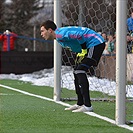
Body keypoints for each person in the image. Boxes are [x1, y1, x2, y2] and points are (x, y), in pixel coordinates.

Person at [40, 20, 105, 112]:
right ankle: (80, 103)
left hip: (95, 43)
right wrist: (81, 52)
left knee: (80, 70)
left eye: (43, 31)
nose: (41, 34)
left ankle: (88, 105)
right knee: (76, 72)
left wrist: (83, 50)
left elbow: (79, 35)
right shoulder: (58, 37)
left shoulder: (60, 35)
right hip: (89, 45)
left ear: (50, 30)